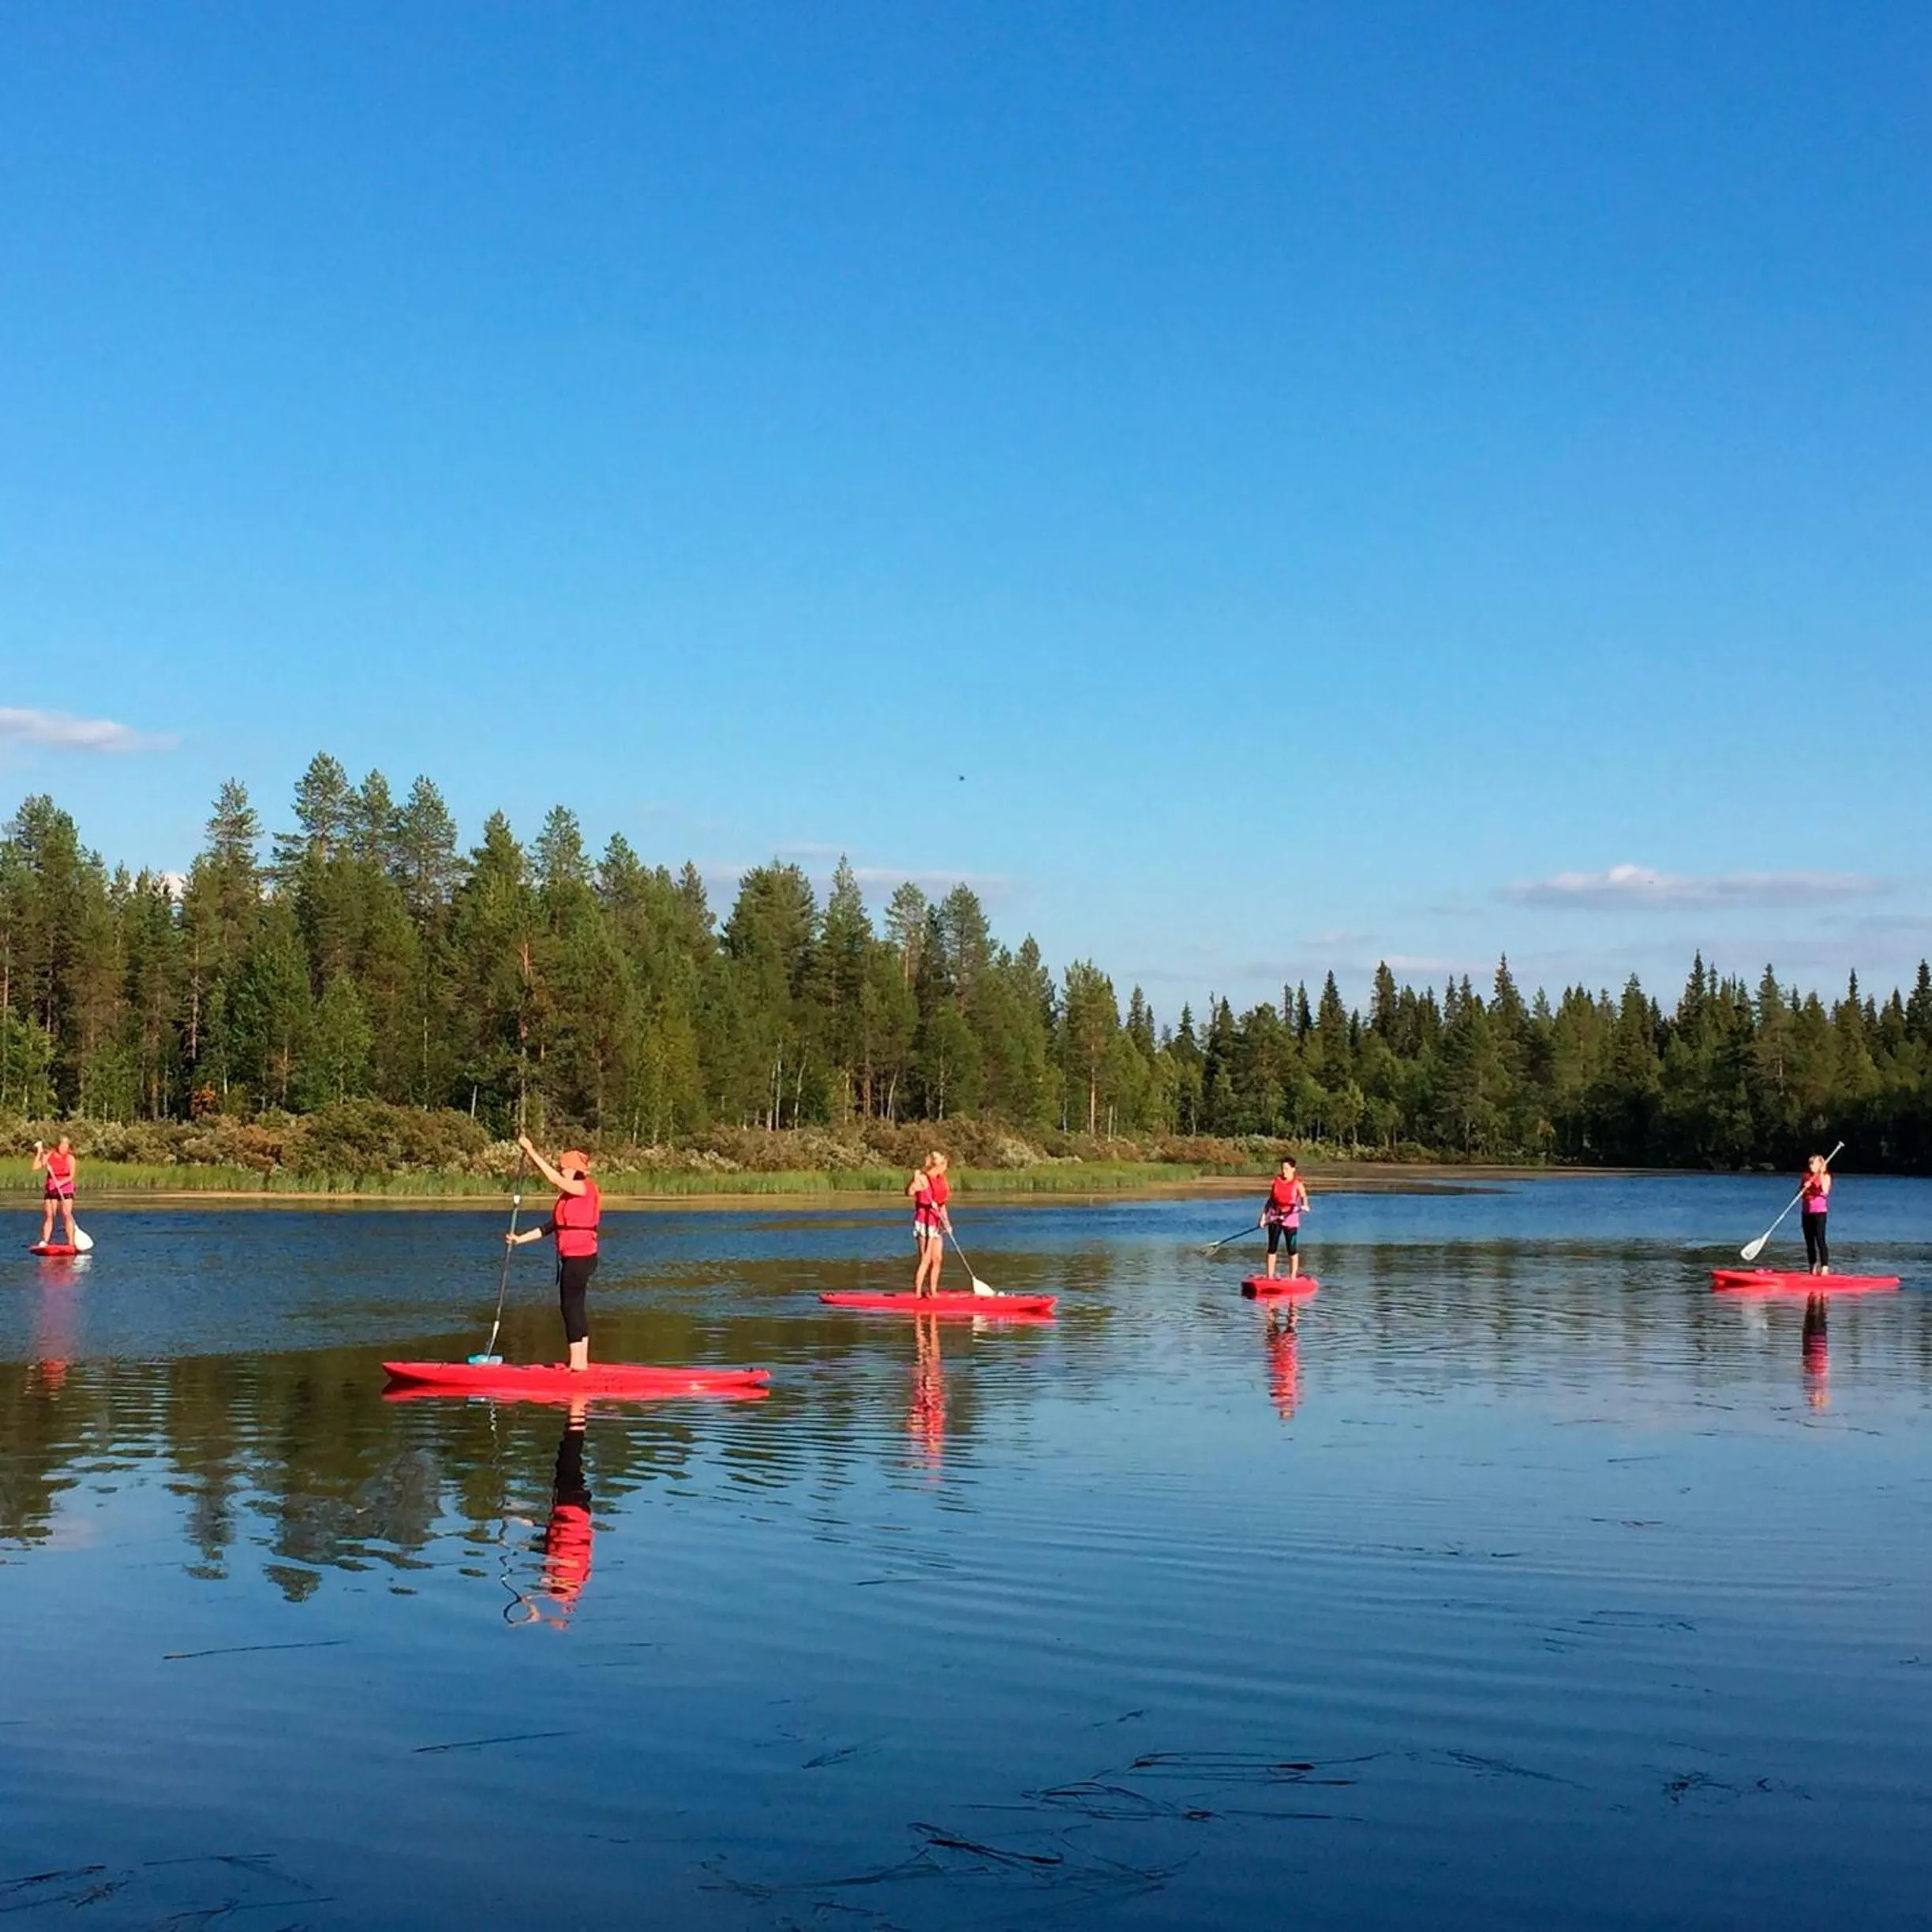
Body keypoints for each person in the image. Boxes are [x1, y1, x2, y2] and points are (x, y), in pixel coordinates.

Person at [504, 1135, 601, 1370]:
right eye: (561, 1168)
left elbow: (553, 1178)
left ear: (574, 1171)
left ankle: (578, 1365)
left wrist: (531, 1151)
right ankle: (580, 1361)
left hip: (581, 1258)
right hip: (573, 1259)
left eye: (563, 1168)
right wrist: (519, 1239)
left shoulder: (584, 1188)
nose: (561, 1171)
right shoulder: (567, 1198)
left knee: (570, 1307)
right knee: (575, 1306)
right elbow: (548, 1228)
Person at [906, 1151, 953, 1297]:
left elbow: (942, 1204)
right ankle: (918, 1294)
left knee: (937, 1258)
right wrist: (914, 1181)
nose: (946, 1166)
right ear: (938, 1165)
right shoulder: (924, 1179)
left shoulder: (940, 1179)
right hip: (924, 1222)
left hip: (937, 1222)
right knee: (925, 1259)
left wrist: (947, 1223)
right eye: (944, 1163)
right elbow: (909, 1192)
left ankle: (933, 1292)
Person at [1258, 1155, 1309, 1280]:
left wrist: (1304, 1206)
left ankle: (1292, 1278)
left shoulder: (1298, 1184)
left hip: (1290, 1219)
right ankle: (1269, 1277)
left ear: (1293, 1169)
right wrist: (1263, 1218)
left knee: (1292, 1249)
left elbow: (1304, 1198)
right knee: (1272, 1248)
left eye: (1286, 1168)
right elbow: (1270, 1201)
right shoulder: (1276, 1182)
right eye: (1282, 1168)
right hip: (1275, 1217)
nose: (1284, 1171)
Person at [32, 1137, 77, 1249]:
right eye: (62, 1146)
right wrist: (39, 1152)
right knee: (49, 1216)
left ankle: (71, 1243)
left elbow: (71, 1176)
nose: (64, 1148)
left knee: (67, 1215)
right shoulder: (49, 1156)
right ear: (58, 1146)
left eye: (66, 1146)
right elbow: (35, 1167)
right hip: (51, 1189)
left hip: (65, 1189)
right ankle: (45, 1241)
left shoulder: (70, 1158)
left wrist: (61, 1183)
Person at [1799, 1152, 1833, 1275]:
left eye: (1813, 1163)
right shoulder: (1805, 1176)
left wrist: (1822, 1174)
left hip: (1819, 1213)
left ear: (1820, 1165)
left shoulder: (1826, 1177)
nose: (1810, 1166)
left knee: (1820, 1239)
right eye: (1809, 1163)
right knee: (1809, 1242)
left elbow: (1825, 1190)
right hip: (1806, 1213)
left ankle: (1824, 1268)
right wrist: (1804, 1186)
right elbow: (1800, 1194)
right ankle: (1812, 1267)